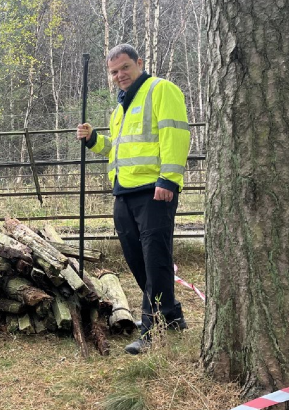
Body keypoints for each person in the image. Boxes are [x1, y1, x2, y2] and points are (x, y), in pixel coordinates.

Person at [76, 44, 190, 355]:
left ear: (139, 63)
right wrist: (94, 140)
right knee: (137, 259)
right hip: (124, 191)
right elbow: (119, 148)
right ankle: (171, 315)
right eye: (114, 71)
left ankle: (153, 330)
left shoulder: (160, 89)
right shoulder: (120, 108)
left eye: (125, 67)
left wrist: (169, 178)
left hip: (155, 190)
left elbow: (176, 134)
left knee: (156, 260)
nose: (120, 75)